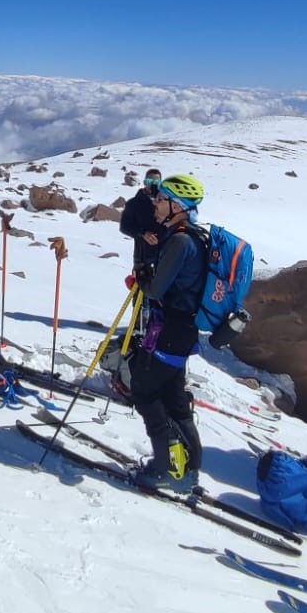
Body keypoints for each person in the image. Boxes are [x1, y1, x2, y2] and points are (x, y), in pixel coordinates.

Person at [127, 173, 207, 491]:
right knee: (174, 399)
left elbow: (156, 290)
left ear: (178, 205)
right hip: (182, 330)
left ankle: (165, 469)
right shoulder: (195, 236)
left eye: (162, 200)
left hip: (169, 331)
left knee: (144, 391)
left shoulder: (180, 241)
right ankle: (188, 470)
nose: (156, 205)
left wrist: (142, 278)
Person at [118, 168, 165, 288]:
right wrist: (143, 233)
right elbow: (124, 227)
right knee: (141, 295)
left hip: (164, 259)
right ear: (144, 182)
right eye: (150, 181)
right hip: (142, 260)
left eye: (157, 182)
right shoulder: (134, 203)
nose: (153, 185)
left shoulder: (167, 204)